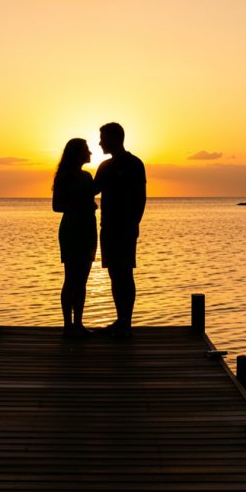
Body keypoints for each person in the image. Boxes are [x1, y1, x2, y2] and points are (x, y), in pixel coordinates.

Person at [93, 122, 146, 339]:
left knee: (125, 273)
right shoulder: (105, 167)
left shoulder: (134, 164)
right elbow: (92, 190)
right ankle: (121, 319)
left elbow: (140, 198)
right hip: (108, 228)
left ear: (115, 139)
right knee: (115, 274)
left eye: (103, 138)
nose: (100, 143)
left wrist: (134, 224)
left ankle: (126, 322)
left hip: (125, 228)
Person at [52, 138, 98, 338]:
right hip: (72, 230)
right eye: (87, 150)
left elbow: (88, 201)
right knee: (71, 278)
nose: (91, 153)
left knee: (82, 280)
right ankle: (67, 325)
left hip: (88, 229)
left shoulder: (88, 177)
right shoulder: (64, 177)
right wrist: (82, 206)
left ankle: (78, 323)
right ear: (77, 153)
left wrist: (90, 206)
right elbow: (57, 206)